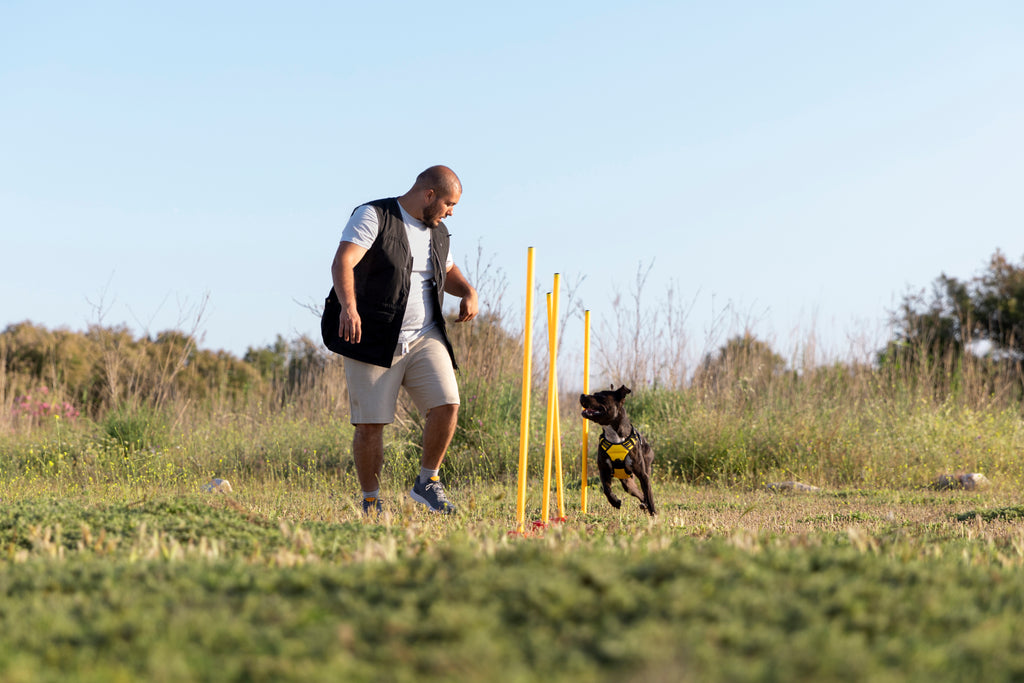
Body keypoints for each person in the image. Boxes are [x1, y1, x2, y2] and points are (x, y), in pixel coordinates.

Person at [329, 165, 478, 515]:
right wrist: (348, 308)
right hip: (373, 336)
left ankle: (428, 483)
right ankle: (370, 500)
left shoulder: (437, 232)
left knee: (447, 404)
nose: (450, 212)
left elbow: (447, 271)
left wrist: (467, 290)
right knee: (370, 426)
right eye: (448, 204)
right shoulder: (374, 215)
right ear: (429, 195)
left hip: (426, 335)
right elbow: (343, 261)